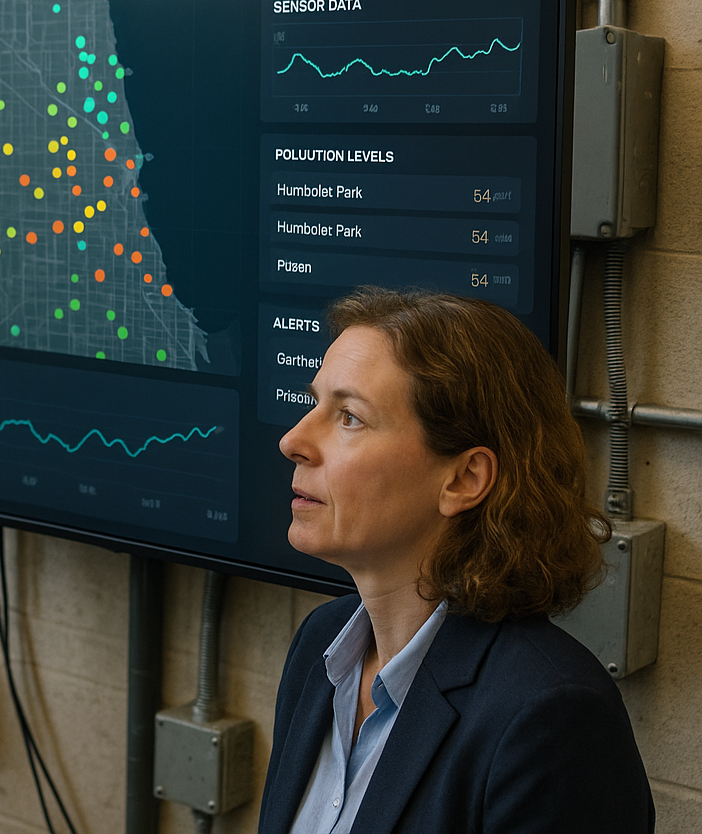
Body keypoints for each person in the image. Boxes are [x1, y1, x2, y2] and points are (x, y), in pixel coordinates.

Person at [258, 288, 654, 834]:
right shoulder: (319, 646)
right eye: (314, 403)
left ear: (464, 479)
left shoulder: (551, 717)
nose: (293, 440)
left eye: (349, 416)